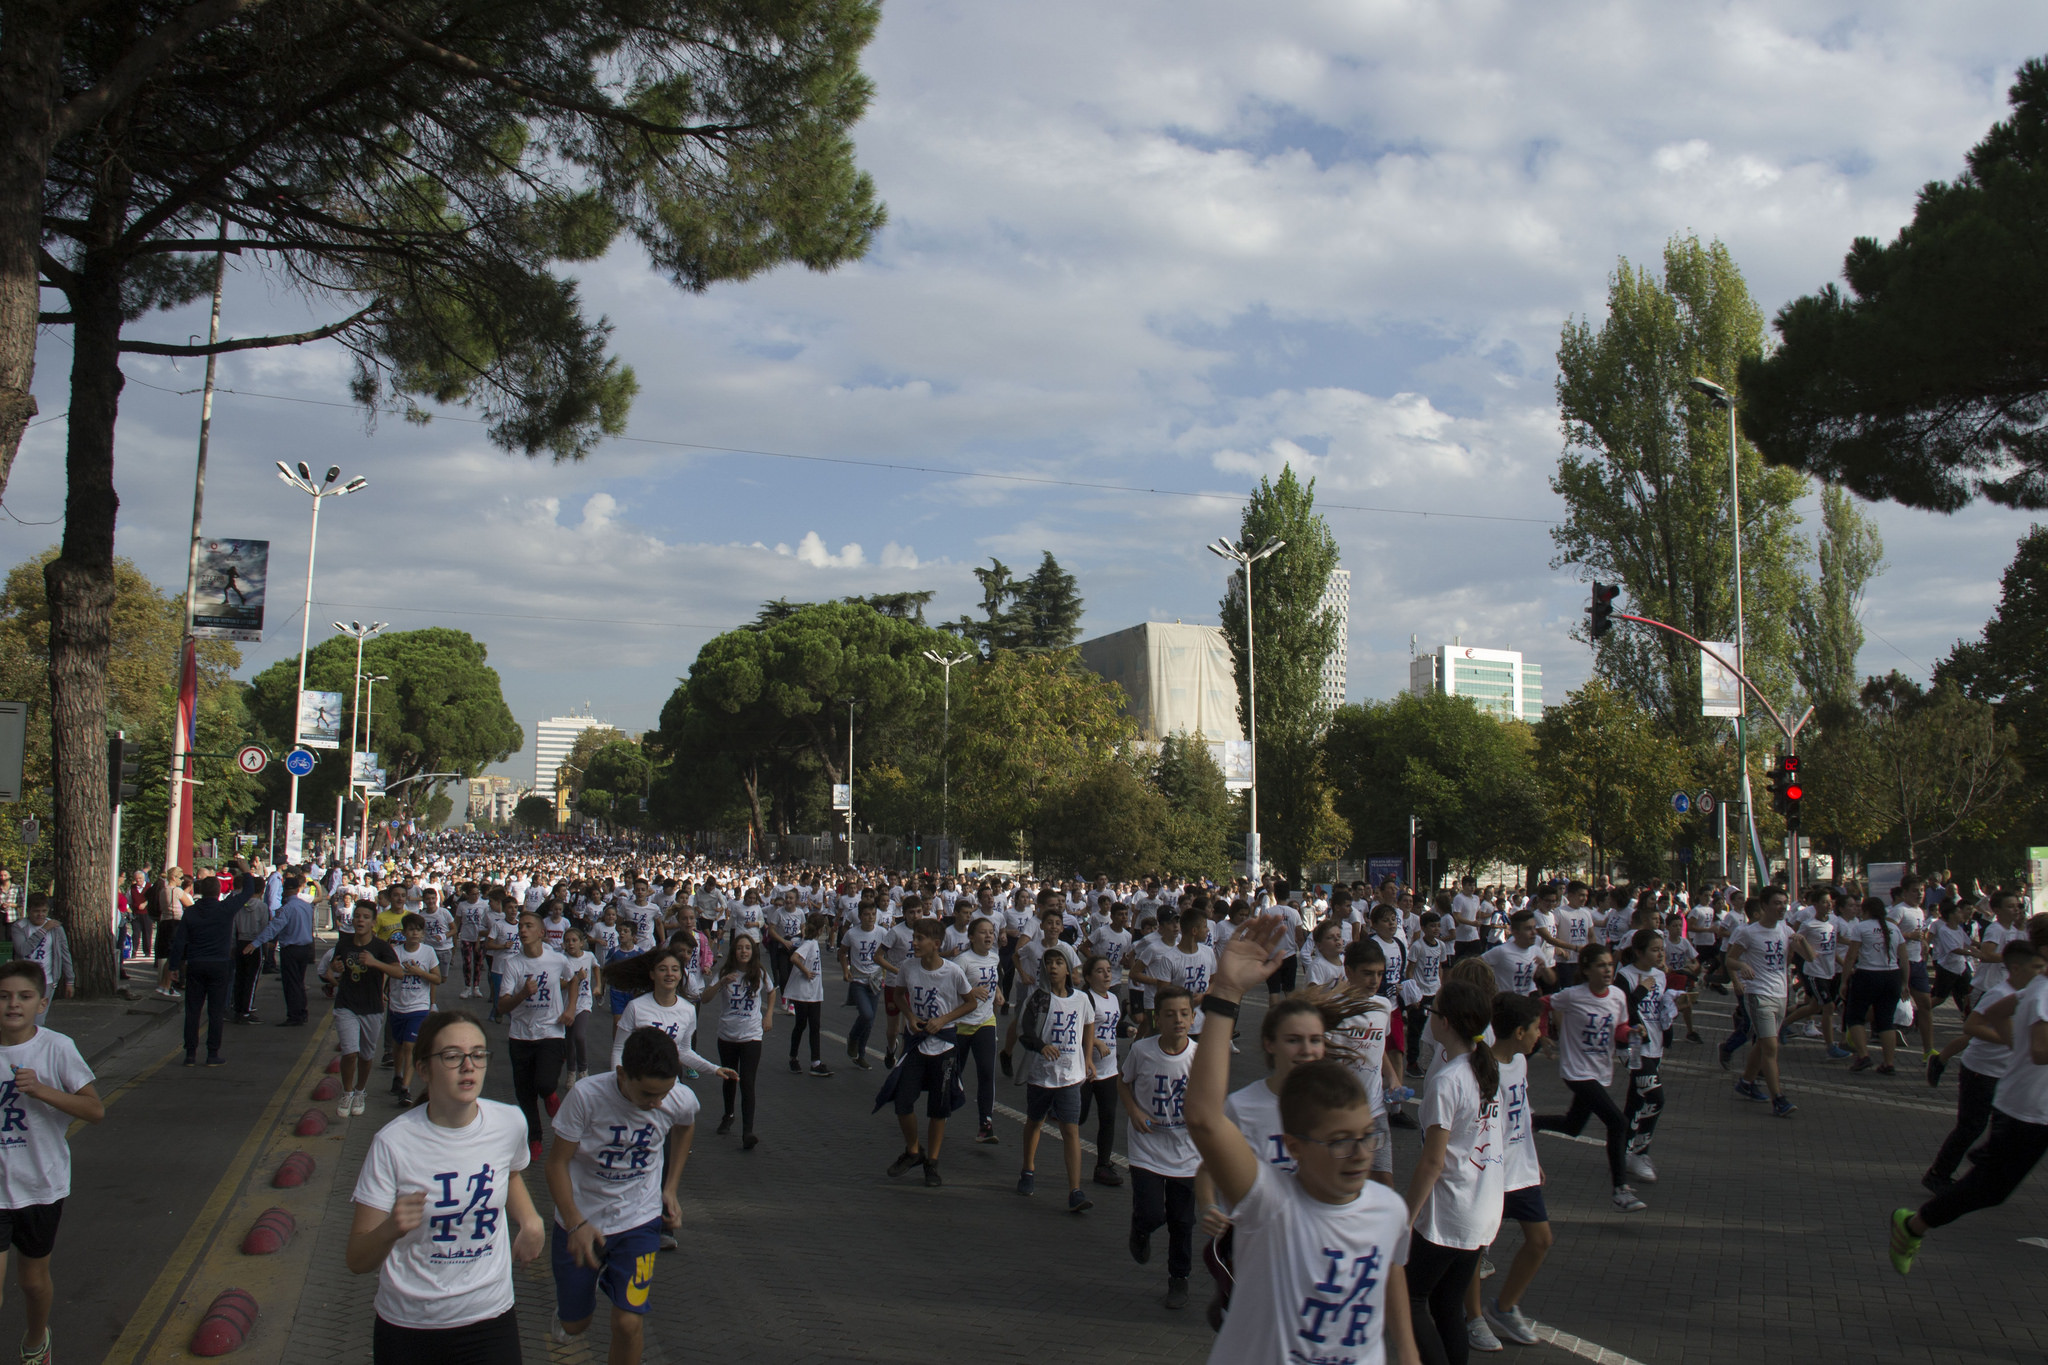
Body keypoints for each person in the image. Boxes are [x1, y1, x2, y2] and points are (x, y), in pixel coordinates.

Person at [1184, 914, 1419, 1365]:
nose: (1357, 1154)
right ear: (1294, 1146)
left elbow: (1391, 1274)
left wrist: (1407, 1354)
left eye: (1364, 1137)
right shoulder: (1273, 1206)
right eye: (1337, 1141)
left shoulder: (1387, 1208)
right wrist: (1227, 993)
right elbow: (1204, 1119)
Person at [347, 1010, 545, 1364]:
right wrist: (391, 1228)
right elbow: (358, 1259)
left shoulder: (510, 1122)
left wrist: (530, 1220)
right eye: (452, 1056)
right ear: (423, 1069)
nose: (468, 1066)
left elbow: (509, 1173)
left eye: (478, 1054)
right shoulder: (393, 1143)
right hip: (410, 1327)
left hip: (490, 1318)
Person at [1891, 934, 2048, 1274]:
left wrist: (2012, 1039)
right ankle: (1913, 1224)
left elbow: (1999, 1012)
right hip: (2028, 1111)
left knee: (1990, 1181)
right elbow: (2038, 1051)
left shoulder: (2034, 988)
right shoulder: (2043, 991)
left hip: (2031, 1106)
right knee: (1989, 1190)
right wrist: (2016, 1042)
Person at [544, 1027, 698, 1365]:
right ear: (621, 1074)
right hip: (581, 1222)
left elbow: (686, 1124)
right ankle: (573, 1306)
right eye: (647, 1094)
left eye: (665, 1093)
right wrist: (575, 1223)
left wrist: (669, 1188)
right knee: (575, 1324)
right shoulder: (586, 1097)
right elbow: (556, 1165)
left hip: (639, 1222)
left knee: (628, 1323)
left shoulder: (676, 1097)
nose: (657, 1103)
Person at [0, 960, 104, 1365]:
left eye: (24, 997)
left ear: (41, 1002)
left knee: (32, 1281)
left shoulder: (56, 1047)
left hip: (40, 1185)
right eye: (4, 996)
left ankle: (36, 1337)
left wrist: (42, 1091)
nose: (13, 1005)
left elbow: (95, 1111)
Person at [1403, 977, 1505, 1365]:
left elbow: (1432, 1162)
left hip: (1449, 1213)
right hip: (1482, 1209)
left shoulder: (1448, 1080)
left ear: (1446, 1022)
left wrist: (1405, 1217)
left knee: (1409, 1299)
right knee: (1447, 1303)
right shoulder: (1486, 1067)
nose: (1428, 1017)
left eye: (1433, 1011)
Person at [1921, 940, 2042, 1192]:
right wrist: (2009, 1040)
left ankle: (1987, 1157)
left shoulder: (2030, 995)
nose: (2042, 972)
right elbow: (1971, 1026)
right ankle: (1938, 1173)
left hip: (2005, 1072)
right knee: (1971, 1126)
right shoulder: (1999, 993)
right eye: (2037, 967)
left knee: (2006, 1120)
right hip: (1980, 1070)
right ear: (2017, 969)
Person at [1534, 944, 1643, 1211]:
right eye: (1601, 966)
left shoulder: (1617, 996)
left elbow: (1618, 1028)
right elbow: (1542, 1004)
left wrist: (1630, 1033)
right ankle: (1620, 1189)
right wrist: (1544, 1034)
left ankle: (1529, 1121)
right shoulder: (1572, 995)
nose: (1608, 970)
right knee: (1617, 1121)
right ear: (1586, 969)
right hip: (1576, 1071)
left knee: (1573, 1126)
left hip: (1600, 1070)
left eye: (1610, 965)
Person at [885, 919, 982, 1187]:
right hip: (917, 1041)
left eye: (919, 939)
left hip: (944, 1044)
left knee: (939, 1106)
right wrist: (909, 1015)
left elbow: (970, 1002)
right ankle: (913, 1150)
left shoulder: (951, 972)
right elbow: (898, 995)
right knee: (903, 1100)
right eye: (913, 937)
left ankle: (933, 1161)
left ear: (936, 944)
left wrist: (944, 1019)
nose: (913, 942)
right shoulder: (908, 967)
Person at [1479, 993, 1550, 1349]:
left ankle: (1503, 1307)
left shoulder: (1520, 1062)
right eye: (1537, 1027)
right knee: (1473, 1253)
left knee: (1540, 1240)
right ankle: (1471, 1318)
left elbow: (1522, 1115)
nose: (1540, 1033)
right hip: (1492, 1173)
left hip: (1521, 1171)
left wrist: (1532, 1158)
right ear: (1519, 1031)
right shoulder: (1486, 1069)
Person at [1121, 984, 1199, 1308]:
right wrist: (1134, 1110)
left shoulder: (1199, 1056)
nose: (1178, 1020)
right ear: (1158, 1018)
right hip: (1148, 1147)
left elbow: (1212, 1100)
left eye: (1184, 1014)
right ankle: (1141, 1228)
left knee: (1182, 1220)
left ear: (1193, 1018)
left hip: (1186, 1151)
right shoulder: (1143, 1051)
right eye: (1170, 1015)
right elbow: (1123, 1083)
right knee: (1154, 1212)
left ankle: (1178, 1279)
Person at [1016, 949, 1097, 1211]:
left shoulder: (1082, 999)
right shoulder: (1038, 999)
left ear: (1069, 970)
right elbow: (1024, 1031)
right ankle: (1028, 1168)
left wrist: (1087, 1060)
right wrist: (1041, 1047)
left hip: (1070, 1075)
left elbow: (1088, 1026)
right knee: (1035, 1122)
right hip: (1042, 1075)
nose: (1053, 967)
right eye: (1048, 963)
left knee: (1070, 1130)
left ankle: (1075, 1190)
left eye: (1058, 962)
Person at [498, 912, 575, 1163]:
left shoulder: (556, 959)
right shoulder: (513, 964)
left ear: (541, 932)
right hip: (520, 1035)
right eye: (520, 926)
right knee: (525, 1094)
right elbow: (501, 1007)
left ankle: (550, 1093)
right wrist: (522, 994)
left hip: (551, 1031)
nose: (523, 930)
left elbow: (573, 980)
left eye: (529, 926)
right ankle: (535, 1137)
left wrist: (570, 1008)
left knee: (543, 1083)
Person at [1725, 886, 1809, 1116]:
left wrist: (1802, 941)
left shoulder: (1785, 929)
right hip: (1758, 993)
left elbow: (1808, 956)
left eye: (1784, 903)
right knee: (1771, 1046)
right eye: (1777, 903)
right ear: (1764, 906)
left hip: (1781, 993)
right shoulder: (1749, 933)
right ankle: (1779, 1100)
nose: (1782, 908)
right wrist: (1742, 966)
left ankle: (1746, 1082)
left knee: (1763, 1043)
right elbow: (1730, 959)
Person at [174, 864, 264, 1067]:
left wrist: (173, 966)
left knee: (193, 1010)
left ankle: (190, 1053)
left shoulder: (191, 913)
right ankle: (212, 1053)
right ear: (218, 892)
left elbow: (180, 941)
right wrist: (247, 871)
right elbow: (249, 891)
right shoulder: (226, 908)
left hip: (196, 963)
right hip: (219, 964)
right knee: (215, 1011)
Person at [327, 903, 404, 1115]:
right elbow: (335, 966)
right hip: (346, 1005)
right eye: (357, 916)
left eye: (365, 917)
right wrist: (336, 967)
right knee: (350, 1052)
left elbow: (398, 972)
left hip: (372, 1007)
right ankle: (347, 1092)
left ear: (373, 922)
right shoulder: (343, 944)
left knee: (366, 1056)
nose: (360, 920)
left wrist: (374, 963)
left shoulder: (381, 947)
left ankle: (361, 1090)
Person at [711, 934, 774, 1149]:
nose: (744, 951)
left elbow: (771, 991)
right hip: (727, 1034)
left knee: (747, 1081)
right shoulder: (725, 972)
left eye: (747, 948)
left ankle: (748, 1131)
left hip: (751, 1035)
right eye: (739, 948)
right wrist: (721, 982)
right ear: (734, 951)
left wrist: (769, 1015)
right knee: (730, 1078)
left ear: (753, 951)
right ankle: (728, 1115)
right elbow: (705, 997)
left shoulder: (760, 972)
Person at [1077, 953, 1127, 1187]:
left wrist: (1126, 1030)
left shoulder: (1114, 998)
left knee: (1108, 1118)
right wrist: (1095, 1042)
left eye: (1108, 970)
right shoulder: (1086, 998)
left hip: (1108, 1070)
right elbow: (1077, 1030)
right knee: (1079, 1116)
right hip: (1086, 1069)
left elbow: (1112, 1027)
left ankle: (1103, 1165)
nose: (1107, 974)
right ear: (1088, 976)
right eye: (1100, 971)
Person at [1841, 896, 1906, 1074]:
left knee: (1855, 1016)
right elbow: (1904, 958)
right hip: (1892, 975)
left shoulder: (1861, 927)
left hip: (1868, 974)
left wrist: (1844, 980)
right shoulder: (1894, 928)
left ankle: (1863, 1055)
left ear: (1866, 910)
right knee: (1886, 1021)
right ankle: (1889, 1063)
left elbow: (1851, 956)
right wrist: (1905, 982)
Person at [954, 916, 1005, 1144]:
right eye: (983, 932)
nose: (988, 936)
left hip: (985, 1021)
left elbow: (994, 981)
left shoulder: (994, 958)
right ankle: (942, 1112)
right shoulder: (962, 961)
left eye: (991, 932)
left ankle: (986, 1124)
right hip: (961, 1024)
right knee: (954, 1074)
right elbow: (949, 990)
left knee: (986, 1072)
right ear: (971, 937)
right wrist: (970, 992)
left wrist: (999, 992)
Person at [244, 875, 317, 1026]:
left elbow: (273, 928)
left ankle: (294, 1015)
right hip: (305, 948)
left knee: (291, 983)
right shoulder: (306, 906)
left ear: (285, 891)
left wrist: (256, 943)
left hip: (291, 949)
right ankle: (302, 1012)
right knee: (299, 982)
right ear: (298, 890)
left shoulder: (287, 908)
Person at [389, 915, 444, 1104]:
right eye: (411, 930)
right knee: (397, 1044)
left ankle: (406, 1088)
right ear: (404, 933)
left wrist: (419, 972)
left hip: (418, 1006)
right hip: (397, 1005)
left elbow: (437, 979)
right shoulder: (395, 952)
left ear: (422, 933)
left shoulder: (428, 953)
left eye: (418, 930)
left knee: (409, 1046)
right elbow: (387, 974)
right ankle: (397, 1076)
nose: (415, 933)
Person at [783, 914, 831, 1077]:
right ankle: (793, 1057)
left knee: (815, 1025)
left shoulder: (813, 943)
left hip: (814, 992)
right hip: (803, 992)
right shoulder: (809, 944)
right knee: (801, 1024)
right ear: (819, 929)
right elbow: (794, 958)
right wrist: (805, 971)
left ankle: (815, 1062)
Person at [6, 898, 72, 1011]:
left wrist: (70, 980)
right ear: (29, 911)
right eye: (36, 911)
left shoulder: (55, 928)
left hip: (47, 979)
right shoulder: (19, 927)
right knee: (24, 1014)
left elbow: (65, 954)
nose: (40, 914)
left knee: (40, 1017)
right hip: (24, 979)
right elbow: (23, 950)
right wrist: (43, 930)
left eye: (44, 911)